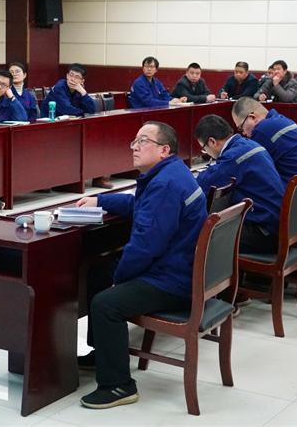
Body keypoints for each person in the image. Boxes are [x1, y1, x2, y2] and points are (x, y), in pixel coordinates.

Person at [75, 121, 207, 409]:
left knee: (106, 303)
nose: (134, 147)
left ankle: (118, 385)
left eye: (143, 141)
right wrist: (101, 200)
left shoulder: (165, 184)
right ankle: (102, 354)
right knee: (98, 273)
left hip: (172, 280)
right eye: (134, 141)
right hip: (178, 267)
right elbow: (140, 206)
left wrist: (120, 279)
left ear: (164, 150)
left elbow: (146, 247)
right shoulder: (171, 172)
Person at [232, 97, 297, 226]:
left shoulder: (262, 129)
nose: (244, 133)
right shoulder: (282, 120)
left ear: (252, 117)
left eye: (241, 128)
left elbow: (245, 165)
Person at [195, 114, 284, 254]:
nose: (206, 152)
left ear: (212, 142)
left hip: (264, 231)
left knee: (201, 234)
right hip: (277, 222)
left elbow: (203, 184)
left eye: (204, 148)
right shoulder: (250, 144)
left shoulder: (234, 156)